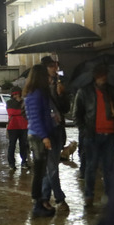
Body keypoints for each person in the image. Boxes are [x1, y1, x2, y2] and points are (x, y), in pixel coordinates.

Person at [72, 64, 114, 203]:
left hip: (110, 135)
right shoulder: (84, 92)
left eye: (105, 74)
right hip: (92, 135)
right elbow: (77, 115)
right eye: (101, 75)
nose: (104, 78)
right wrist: (85, 131)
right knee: (91, 166)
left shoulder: (111, 91)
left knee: (108, 168)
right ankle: (89, 195)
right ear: (95, 76)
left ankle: (109, 195)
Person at [24, 65, 57, 218]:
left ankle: (39, 203)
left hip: (38, 134)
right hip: (38, 136)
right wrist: (45, 137)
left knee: (41, 171)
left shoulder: (36, 93)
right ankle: (37, 204)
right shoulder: (36, 94)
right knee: (39, 172)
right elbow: (35, 119)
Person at [40, 56, 69, 208]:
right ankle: (59, 197)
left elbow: (65, 109)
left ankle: (44, 197)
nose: (54, 68)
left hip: (58, 130)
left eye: (55, 65)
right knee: (51, 167)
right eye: (51, 66)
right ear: (45, 69)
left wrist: (62, 94)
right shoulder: (38, 88)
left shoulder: (59, 83)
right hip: (46, 132)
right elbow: (27, 112)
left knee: (52, 166)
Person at [5, 86, 29, 170]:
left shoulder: (25, 102)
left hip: (23, 126)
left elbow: (27, 112)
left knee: (24, 145)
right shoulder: (9, 102)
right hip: (13, 127)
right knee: (12, 145)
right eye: (15, 94)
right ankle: (11, 163)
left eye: (18, 94)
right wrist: (21, 110)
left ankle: (24, 161)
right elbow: (11, 112)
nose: (17, 96)